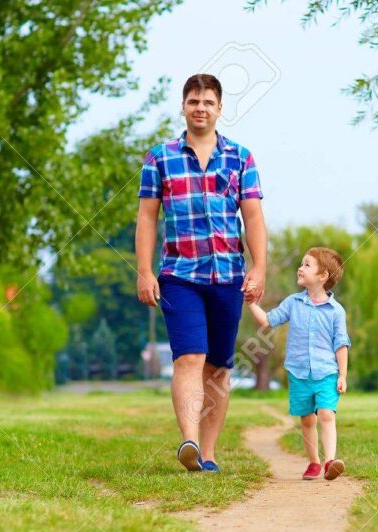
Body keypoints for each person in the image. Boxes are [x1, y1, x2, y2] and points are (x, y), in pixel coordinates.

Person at [134, 73, 267, 472]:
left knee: (219, 369)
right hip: (180, 274)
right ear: (183, 107)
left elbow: (254, 216)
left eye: (208, 102)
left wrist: (259, 267)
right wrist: (145, 271)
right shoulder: (160, 157)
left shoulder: (240, 158)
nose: (200, 108)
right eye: (193, 101)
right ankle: (188, 440)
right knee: (188, 358)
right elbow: (146, 218)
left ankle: (207, 454)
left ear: (220, 108)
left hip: (228, 276)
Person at [246, 248, 350, 481]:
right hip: (299, 372)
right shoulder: (293, 303)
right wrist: (252, 303)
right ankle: (313, 462)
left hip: (327, 373)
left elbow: (341, 344)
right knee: (306, 419)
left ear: (322, 276)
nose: (300, 268)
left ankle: (330, 461)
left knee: (326, 414)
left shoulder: (336, 311)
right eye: (302, 264)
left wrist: (342, 375)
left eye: (307, 265)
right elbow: (268, 321)